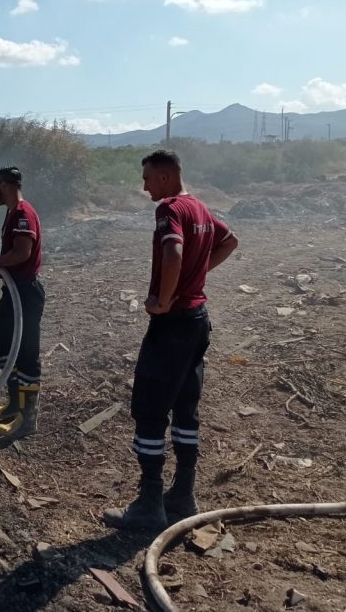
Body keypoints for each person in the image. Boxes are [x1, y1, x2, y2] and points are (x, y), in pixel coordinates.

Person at [104, 150, 238, 530]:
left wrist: (163, 299)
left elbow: (173, 250)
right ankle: (183, 495)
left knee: (149, 409)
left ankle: (149, 504)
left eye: (147, 178)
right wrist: (196, 278)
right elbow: (230, 241)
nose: (144, 185)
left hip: (174, 323)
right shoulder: (200, 208)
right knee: (185, 407)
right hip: (197, 322)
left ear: (165, 177)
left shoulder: (170, 210)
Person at [0, 166, 45, 439]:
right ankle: (15, 403)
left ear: (5, 185)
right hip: (13, 291)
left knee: (26, 356)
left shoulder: (23, 213)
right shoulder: (13, 213)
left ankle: (27, 420)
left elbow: (22, 252)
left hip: (25, 294)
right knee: (1, 344)